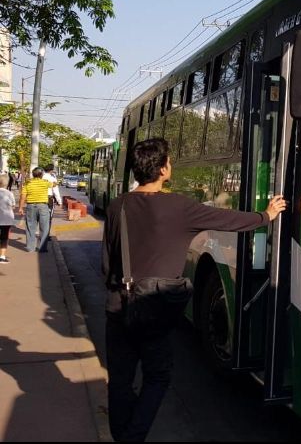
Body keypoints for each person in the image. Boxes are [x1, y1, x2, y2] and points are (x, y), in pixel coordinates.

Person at [101, 138, 286, 442]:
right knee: (158, 375)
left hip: (118, 307)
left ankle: (123, 434)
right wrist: (266, 216)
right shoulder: (179, 207)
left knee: (120, 381)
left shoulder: (117, 205)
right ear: (163, 169)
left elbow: (107, 263)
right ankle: (132, 436)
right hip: (154, 307)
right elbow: (227, 219)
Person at [17, 167, 53, 253]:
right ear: (41, 175)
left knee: (30, 227)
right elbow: (54, 184)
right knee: (44, 227)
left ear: (33, 174)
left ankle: (30, 248)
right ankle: (42, 248)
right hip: (43, 206)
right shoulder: (45, 183)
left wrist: (21, 208)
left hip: (30, 206)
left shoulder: (27, 183)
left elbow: (23, 196)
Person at [0, 174, 15, 264]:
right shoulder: (9, 193)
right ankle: (2, 257)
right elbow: (13, 205)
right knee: (4, 238)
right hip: (6, 219)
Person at [43, 164, 62, 229]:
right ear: (51, 170)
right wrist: (59, 202)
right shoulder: (52, 178)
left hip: (39, 198)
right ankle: (46, 235)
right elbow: (55, 191)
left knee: (41, 217)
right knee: (49, 217)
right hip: (49, 199)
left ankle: (41, 232)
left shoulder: (41, 176)